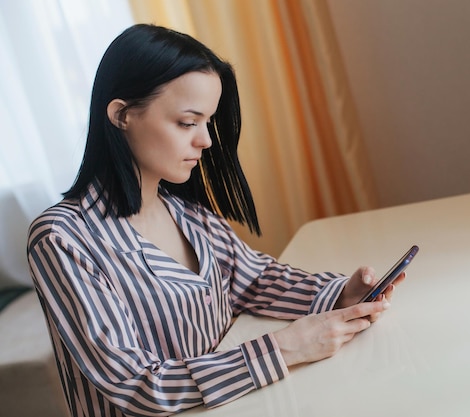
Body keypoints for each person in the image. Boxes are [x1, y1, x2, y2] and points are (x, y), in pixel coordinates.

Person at [27, 24, 402, 417]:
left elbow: (254, 278)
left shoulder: (186, 212)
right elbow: (134, 383)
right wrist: (286, 347)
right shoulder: (62, 238)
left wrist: (343, 295)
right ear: (122, 115)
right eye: (188, 122)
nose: (205, 140)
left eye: (207, 122)